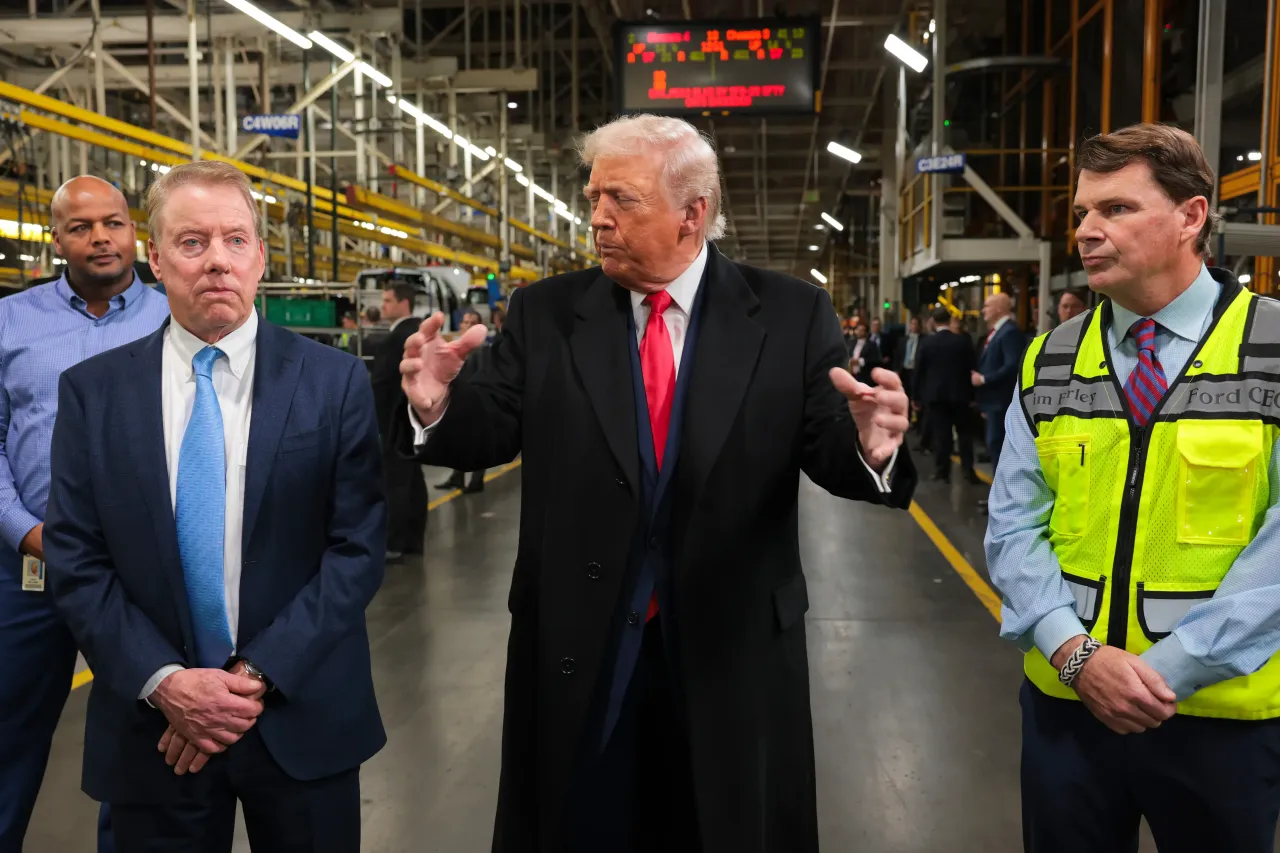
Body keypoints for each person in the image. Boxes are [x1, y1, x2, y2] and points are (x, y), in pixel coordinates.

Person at [395, 113, 915, 852]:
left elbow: (830, 448)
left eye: (623, 199)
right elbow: (496, 425)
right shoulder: (548, 314)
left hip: (730, 649)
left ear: (692, 214)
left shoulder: (791, 313)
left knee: (725, 824)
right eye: (594, 195)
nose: (598, 217)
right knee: (580, 823)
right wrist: (436, 406)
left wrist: (872, 446)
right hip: (582, 641)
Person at [42, 161, 387, 852]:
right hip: (155, 729)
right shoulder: (93, 392)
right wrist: (168, 682)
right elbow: (76, 558)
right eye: (193, 243)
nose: (217, 262)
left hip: (300, 712)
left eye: (235, 239)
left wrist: (250, 678)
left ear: (261, 256)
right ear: (156, 258)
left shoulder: (335, 381)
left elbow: (357, 547)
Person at [986, 122, 1280, 853]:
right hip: (1068, 712)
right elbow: (1013, 525)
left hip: (1218, 721)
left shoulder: (1271, 350)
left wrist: (1161, 671)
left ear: (1192, 215)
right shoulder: (1051, 359)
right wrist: (1078, 658)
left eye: (1115, 209)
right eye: (1082, 212)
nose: (1086, 230)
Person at [0, 175, 170, 853]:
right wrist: (27, 532)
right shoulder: (10, 322)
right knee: (7, 732)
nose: (100, 236)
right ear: (56, 240)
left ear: (137, 235)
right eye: (81, 226)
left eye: (114, 222)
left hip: (145, 575)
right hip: (28, 569)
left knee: (141, 740)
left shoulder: (172, 319)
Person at [370, 281, 426, 559]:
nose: (383, 305)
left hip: (394, 420)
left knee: (396, 482)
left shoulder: (398, 337)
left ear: (404, 303)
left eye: (388, 300)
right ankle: (413, 540)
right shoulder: (418, 331)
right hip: (414, 420)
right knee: (413, 479)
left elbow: (381, 384)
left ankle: (394, 544)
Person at [913, 307, 978, 483]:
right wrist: (973, 396)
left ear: (933, 322)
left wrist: (916, 397)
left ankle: (942, 471)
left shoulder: (927, 343)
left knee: (942, 435)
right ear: (949, 321)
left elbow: (919, 371)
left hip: (936, 397)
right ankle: (968, 470)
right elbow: (972, 368)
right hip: (960, 395)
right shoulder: (963, 342)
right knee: (964, 434)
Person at [435, 310, 490, 494]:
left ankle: (477, 480)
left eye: (471, 323)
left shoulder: (481, 349)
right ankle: (457, 477)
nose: (466, 325)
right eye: (465, 322)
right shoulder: (458, 346)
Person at [971, 291, 1022, 486]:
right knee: (994, 446)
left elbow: (1012, 365)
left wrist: (984, 379)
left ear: (999, 308)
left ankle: (1002, 495)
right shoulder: (997, 333)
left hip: (1001, 402)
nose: (983, 310)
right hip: (993, 402)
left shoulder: (1009, 333)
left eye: (987, 306)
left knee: (999, 447)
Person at [847, 320, 882, 385]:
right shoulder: (851, 342)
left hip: (865, 376)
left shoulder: (872, 344)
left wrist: (859, 361)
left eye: (861, 330)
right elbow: (848, 354)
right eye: (858, 330)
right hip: (852, 375)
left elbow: (875, 360)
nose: (859, 332)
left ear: (866, 332)